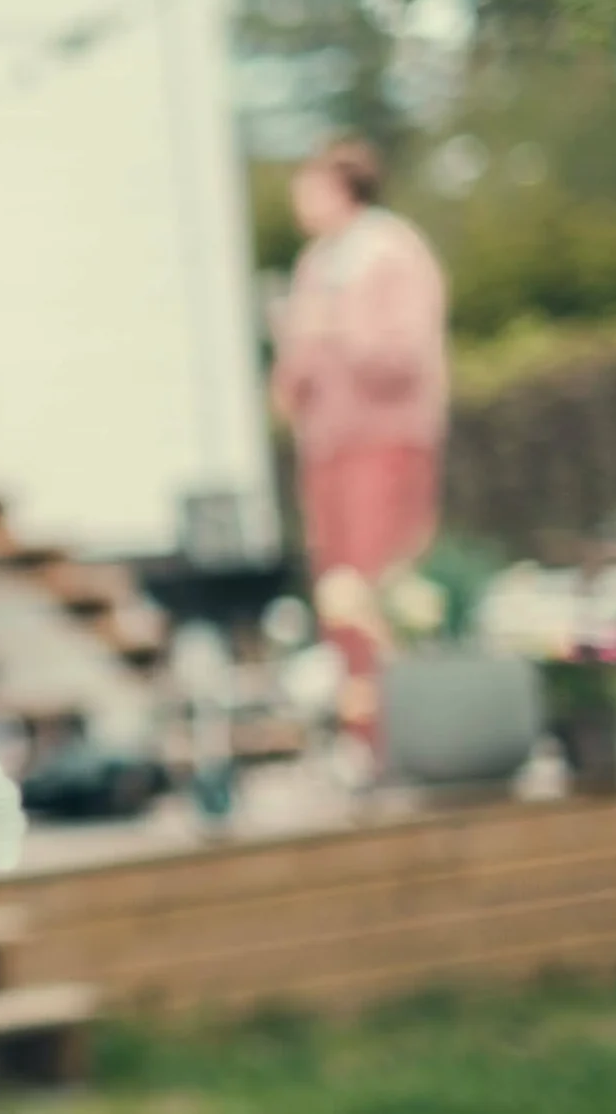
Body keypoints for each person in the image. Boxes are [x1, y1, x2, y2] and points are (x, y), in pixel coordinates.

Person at [269, 136, 448, 765]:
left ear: (343, 187)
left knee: (382, 582)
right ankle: (359, 732)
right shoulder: (316, 263)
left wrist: (338, 327)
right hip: (328, 447)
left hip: (385, 438)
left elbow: (403, 356)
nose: (301, 201)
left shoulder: (392, 252)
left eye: (311, 187)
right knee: (337, 587)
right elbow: (297, 362)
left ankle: (402, 731)